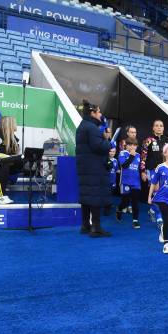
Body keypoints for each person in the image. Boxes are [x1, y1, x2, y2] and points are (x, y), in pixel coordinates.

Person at [76, 100, 112, 237]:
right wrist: (108, 141)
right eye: (99, 111)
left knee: (87, 196)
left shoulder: (83, 126)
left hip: (86, 168)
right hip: (94, 168)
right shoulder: (91, 128)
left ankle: (86, 225)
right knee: (95, 196)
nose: (101, 114)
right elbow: (100, 147)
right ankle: (96, 228)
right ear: (93, 113)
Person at [140, 120, 167, 222]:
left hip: (163, 171)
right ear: (153, 128)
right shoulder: (148, 140)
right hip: (152, 170)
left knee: (162, 193)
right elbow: (143, 157)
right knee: (156, 192)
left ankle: (152, 210)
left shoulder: (166, 141)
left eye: (161, 126)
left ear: (163, 128)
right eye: (156, 125)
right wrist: (143, 171)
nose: (159, 127)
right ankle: (159, 217)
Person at [116, 135, 142, 229]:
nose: (132, 147)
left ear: (137, 146)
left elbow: (139, 168)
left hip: (136, 183)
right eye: (130, 145)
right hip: (125, 182)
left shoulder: (139, 156)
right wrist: (131, 155)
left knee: (135, 202)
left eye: (134, 145)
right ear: (126, 145)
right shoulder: (122, 153)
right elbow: (124, 165)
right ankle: (119, 210)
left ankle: (135, 220)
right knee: (125, 202)